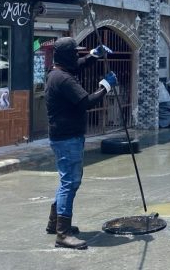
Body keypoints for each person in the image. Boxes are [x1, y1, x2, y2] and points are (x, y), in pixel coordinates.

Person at [45, 37, 116, 250]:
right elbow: (86, 102)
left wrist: (93, 56)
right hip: (67, 138)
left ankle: (53, 224)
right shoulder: (64, 79)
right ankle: (63, 234)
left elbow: (77, 66)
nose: (77, 56)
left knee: (66, 179)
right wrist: (106, 87)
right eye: (74, 53)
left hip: (64, 136)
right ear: (66, 56)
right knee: (70, 182)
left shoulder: (56, 73)